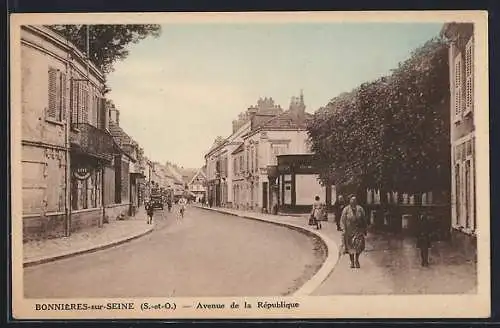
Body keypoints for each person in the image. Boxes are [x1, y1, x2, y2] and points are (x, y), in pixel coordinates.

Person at [341, 194, 367, 269]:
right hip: (349, 231)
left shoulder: (360, 209)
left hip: (358, 230)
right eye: (352, 200)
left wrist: (365, 229)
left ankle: (357, 260)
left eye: (355, 200)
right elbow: (342, 220)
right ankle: (352, 261)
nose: (353, 201)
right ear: (349, 201)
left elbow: (364, 220)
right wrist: (344, 229)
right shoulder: (346, 210)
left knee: (359, 246)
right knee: (350, 247)